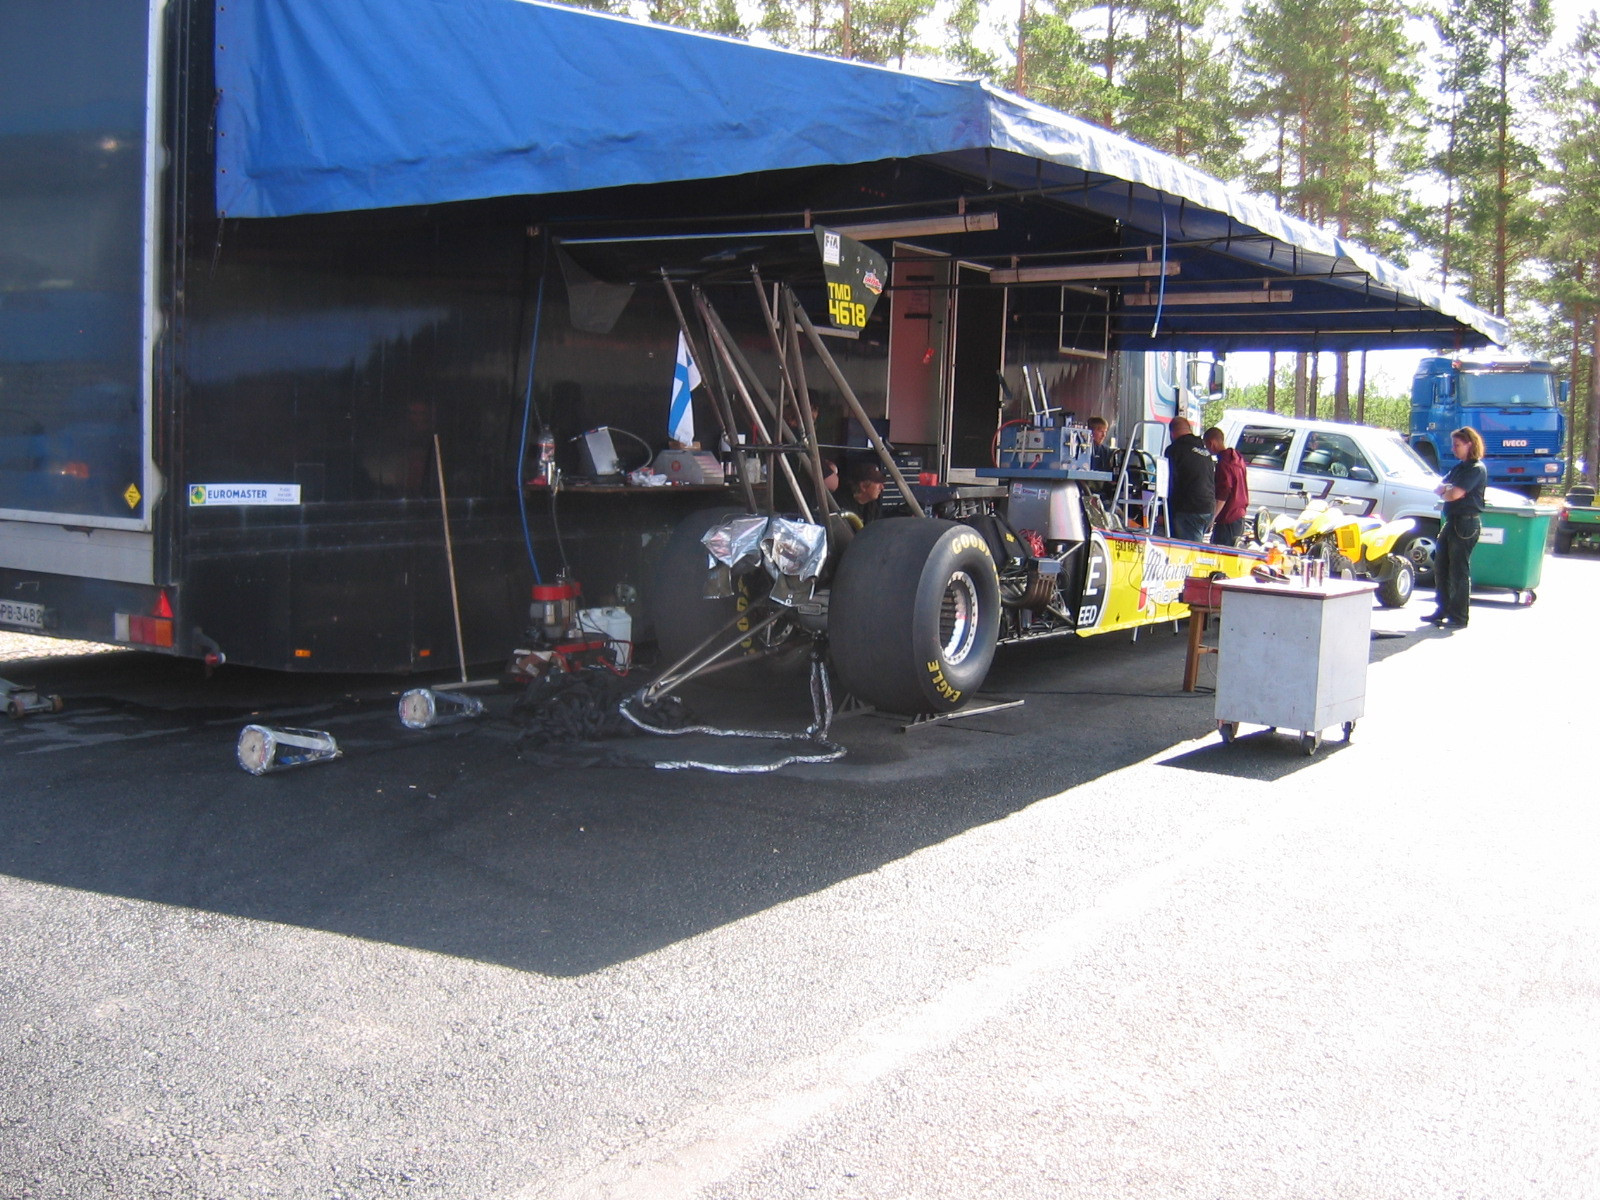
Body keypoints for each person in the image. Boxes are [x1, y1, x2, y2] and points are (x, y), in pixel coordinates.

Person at [1426, 427, 1487, 628]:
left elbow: (1453, 494)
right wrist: (1447, 490)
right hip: (1451, 521)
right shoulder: (1459, 468)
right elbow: (1438, 488)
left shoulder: (1476, 469)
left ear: (1470, 444)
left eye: (1457, 445)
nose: (1454, 449)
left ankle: (1459, 617)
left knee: (1458, 571)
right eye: (1453, 445)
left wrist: (1448, 490)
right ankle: (1442, 609)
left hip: (1466, 523)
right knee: (1441, 566)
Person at [1164, 417, 1215, 542]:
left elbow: (1168, 482)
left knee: (1189, 552)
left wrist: (1163, 511)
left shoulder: (1175, 450)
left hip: (1189, 508)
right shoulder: (1204, 450)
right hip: (1208, 507)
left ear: (1172, 433)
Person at [1205, 426, 1250, 547]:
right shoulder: (1238, 459)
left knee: (1220, 553)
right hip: (1239, 516)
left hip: (1227, 518)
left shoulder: (1223, 464)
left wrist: (1212, 518)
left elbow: (1223, 494)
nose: (1208, 450)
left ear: (1211, 443)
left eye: (1207, 446)